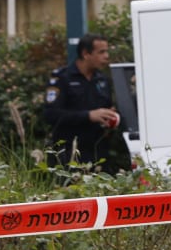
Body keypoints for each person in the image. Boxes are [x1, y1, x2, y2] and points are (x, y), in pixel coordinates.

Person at [42, 33, 128, 172]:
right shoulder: (62, 78)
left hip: (99, 153)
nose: (106, 56)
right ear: (86, 54)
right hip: (70, 153)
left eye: (107, 51)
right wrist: (88, 116)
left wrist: (110, 117)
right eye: (101, 52)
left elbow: (107, 108)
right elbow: (51, 114)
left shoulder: (102, 79)